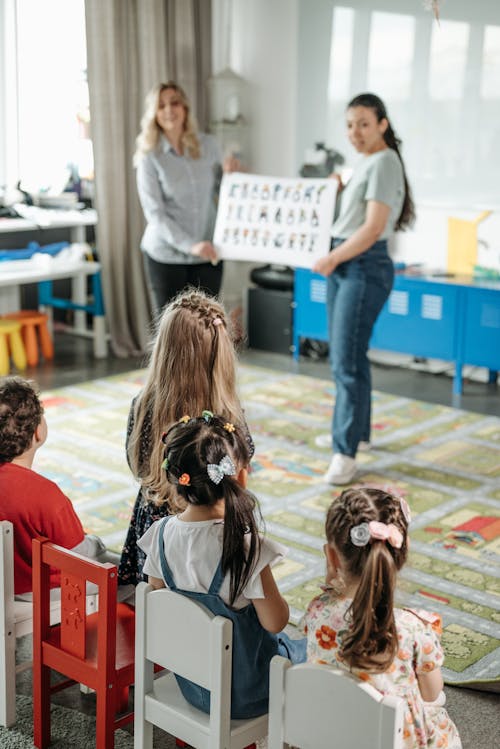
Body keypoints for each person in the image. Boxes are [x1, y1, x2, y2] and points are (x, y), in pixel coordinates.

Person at [138, 413, 306, 719]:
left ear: (176, 483)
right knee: (309, 651)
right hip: (247, 694)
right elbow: (276, 622)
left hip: (191, 683)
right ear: (239, 477)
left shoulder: (160, 535)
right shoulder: (245, 549)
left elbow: (157, 602)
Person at [300, 487, 461, 749]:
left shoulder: (318, 610)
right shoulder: (414, 629)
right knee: (440, 718)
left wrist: (331, 577)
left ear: (331, 555)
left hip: (329, 735)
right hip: (391, 740)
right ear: (402, 553)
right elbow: (431, 693)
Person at [118, 288, 254, 587]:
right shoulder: (229, 417)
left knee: (159, 603)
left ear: (164, 351)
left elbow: (137, 465)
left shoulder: (143, 405)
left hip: (158, 537)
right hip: (214, 532)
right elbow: (243, 469)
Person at [313, 92, 415, 484]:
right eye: (350, 125)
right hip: (347, 262)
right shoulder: (369, 161)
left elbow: (372, 229)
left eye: (363, 124)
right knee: (351, 355)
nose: (354, 132)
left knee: (346, 361)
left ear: (382, 125)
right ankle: (358, 433)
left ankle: (345, 450)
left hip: (362, 264)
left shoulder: (385, 161)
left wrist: (335, 258)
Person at [0, 376, 123, 598]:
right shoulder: (44, 494)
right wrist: (96, 544)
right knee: (126, 571)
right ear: (38, 431)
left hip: (5, 587)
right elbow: (79, 554)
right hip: (45, 594)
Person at [134, 80, 240, 313]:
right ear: (154, 114)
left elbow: (221, 192)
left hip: (208, 253)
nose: (169, 110)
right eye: (161, 106)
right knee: (172, 334)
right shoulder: (149, 157)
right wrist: (191, 245)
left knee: (207, 328)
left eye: (174, 103)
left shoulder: (209, 145)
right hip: (166, 256)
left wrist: (231, 176)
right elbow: (155, 214)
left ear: (185, 108)